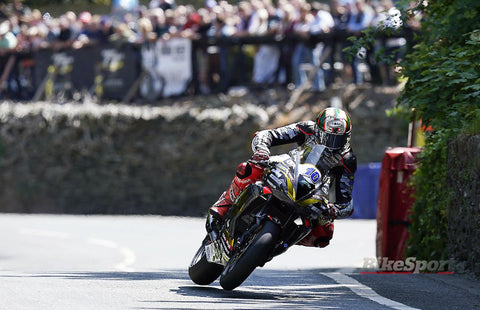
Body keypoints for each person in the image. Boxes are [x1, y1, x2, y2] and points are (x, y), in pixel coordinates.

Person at [205, 107, 357, 248]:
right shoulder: (307, 129)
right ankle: (221, 208)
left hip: (313, 191)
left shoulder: (347, 159)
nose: (332, 144)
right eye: (328, 137)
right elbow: (267, 135)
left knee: (325, 234)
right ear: (318, 130)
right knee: (249, 168)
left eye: (338, 139)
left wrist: (334, 210)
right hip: (286, 167)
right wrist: (262, 151)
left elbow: (346, 200)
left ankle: (279, 242)